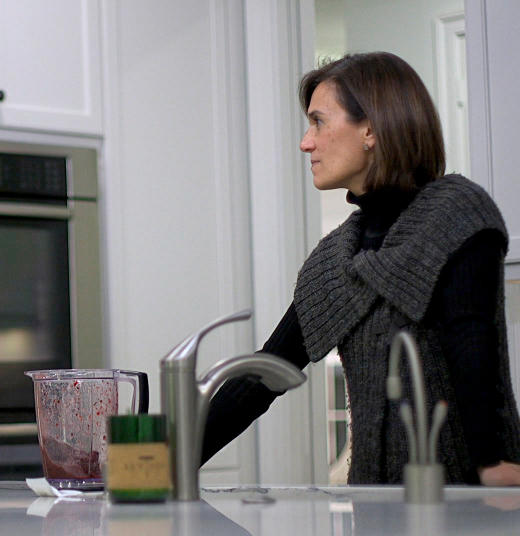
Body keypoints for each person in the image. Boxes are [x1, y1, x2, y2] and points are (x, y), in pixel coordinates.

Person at [200, 52, 520, 486]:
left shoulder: (455, 214)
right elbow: (265, 374)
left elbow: (472, 345)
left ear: (370, 128)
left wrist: (493, 464)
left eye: (318, 122)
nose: (305, 142)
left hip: (467, 499)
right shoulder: (335, 258)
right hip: (374, 507)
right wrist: (162, 466)